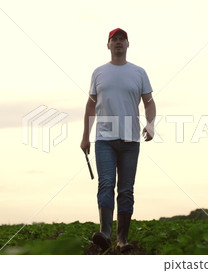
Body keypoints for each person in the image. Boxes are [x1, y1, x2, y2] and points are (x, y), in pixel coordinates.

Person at [80, 28, 156, 252]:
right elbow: (90, 105)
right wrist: (86, 137)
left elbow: (149, 102)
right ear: (108, 45)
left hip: (131, 139)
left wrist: (150, 125)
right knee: (105, 184)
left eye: (122, 39)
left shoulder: (139, 73)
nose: (119, 43)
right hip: (104, 138)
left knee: (126, 190)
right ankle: (104, 233)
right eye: (115, 39)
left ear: (128, 44)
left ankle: (122, 239)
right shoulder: (99, 73)